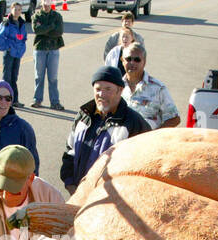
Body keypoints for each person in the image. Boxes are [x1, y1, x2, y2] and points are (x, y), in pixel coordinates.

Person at [60, 65, 151, 194]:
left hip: (113, 200)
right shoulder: (83, 117)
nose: (101, 94)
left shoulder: (134, 123)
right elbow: (70, 152)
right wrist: (70, 183)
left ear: (120, 90)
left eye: (108, 89)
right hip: (78, 194)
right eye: (98, 89)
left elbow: (143, 167)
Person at [119, 44, 180, 130]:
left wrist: (154, 136)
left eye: (137, 60)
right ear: (122, 60)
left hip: (147, 141)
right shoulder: (116, 87)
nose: (132, 63)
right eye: (128, 59)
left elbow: (174, 119)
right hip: (121, 140)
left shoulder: (158, 88)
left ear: (144, 62)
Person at [30, 0, 64, 110]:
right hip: (40, 49)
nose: (46, 5)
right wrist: (51, 27)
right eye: (45, 2)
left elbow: (59, 32)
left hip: (53, 49)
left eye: (49, 3)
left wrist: (45, 28)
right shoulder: (36, 16)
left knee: (53, 77)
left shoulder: (57, 16)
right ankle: (37, 99)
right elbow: (37, 30)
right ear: (41, 2)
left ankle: (55, 102)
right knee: (39, 77)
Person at [0, 1, 29, 107]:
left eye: (19, 10)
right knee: (7, 78)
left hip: (17, 54)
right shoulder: (6, 23)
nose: (17, 12)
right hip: (9, 53)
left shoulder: (22, 23)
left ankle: (14, 100)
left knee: (14, 77)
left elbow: (23, 38)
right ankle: (4, 101)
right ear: (11, 9)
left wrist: (22, 48)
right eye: (15, 9)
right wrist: (7, 47)